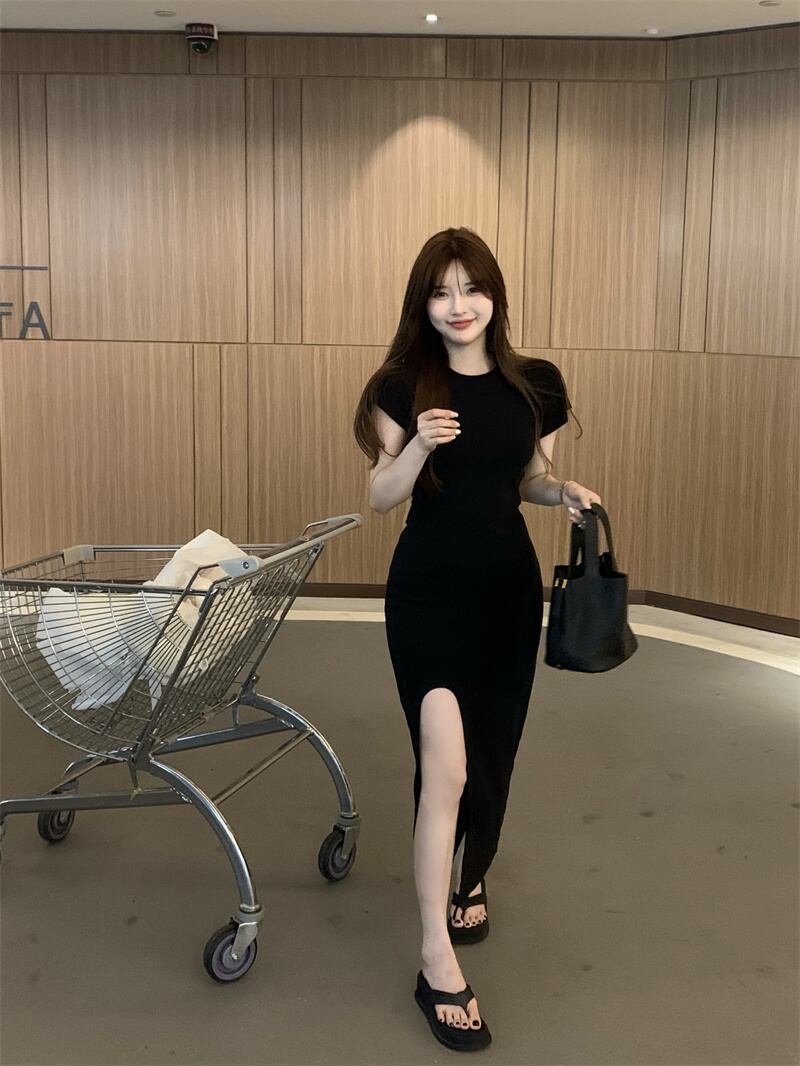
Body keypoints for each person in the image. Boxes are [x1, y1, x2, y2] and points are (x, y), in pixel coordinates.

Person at [353, 227, 602, 1051]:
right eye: (440, 291)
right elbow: (380, 497)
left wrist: (562, 492)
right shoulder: (402, 386)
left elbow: (527, 478)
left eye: (472, 288)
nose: (458, 306)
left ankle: (472, 873)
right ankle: (436, 958)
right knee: (447, 769)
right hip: (427, 595)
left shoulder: (537, 385)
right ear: (422, 303)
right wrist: (422, 441)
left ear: (494, 294)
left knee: (493, 755)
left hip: (506, 596)